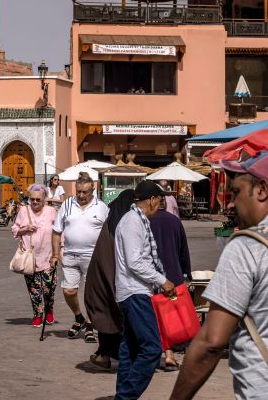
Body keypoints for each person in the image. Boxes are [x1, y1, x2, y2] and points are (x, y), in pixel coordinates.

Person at [171, 154, 268, 400]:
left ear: (262, 190)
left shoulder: (248, 247)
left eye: (236, 193)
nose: (231, 204)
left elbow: (211, 342)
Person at [113, 180, 176, 400]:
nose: (161, 205)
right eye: (160, 200)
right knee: (151, 347)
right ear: (150, 200)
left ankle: (123, 394)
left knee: (130, 349)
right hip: (135, 291)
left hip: (137, 291)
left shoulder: (139, 221)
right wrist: (162, 280)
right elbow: (135, 262)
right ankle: (126, 397)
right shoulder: (132, 222)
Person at [51, 172, 109, 343]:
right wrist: (55, 254)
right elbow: (56, 231)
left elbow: (109, 232)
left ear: (93, 190)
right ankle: (79, 318)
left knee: (91, 293)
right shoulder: (68, 204)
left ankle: (90, 325)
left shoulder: (102, 207)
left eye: (85, 192)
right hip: (70, 254)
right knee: (69, 290)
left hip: (93, 256)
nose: (81, 196)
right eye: (79, 192)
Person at [84, 189, 135, 369]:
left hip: (102, 282)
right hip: (115, 282)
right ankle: (116, 357)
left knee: (108, 317)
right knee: (119, 319)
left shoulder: (110, 224)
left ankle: (104, 355)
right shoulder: (125, 226)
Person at [149, 195, 192, 371]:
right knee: (171, 317)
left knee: (156, 316)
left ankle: (164, 353)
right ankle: (170, 354)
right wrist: (187, 273)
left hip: (151, 275)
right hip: (173, 275)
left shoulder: (145, 221)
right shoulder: (174, 221)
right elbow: (184, 250)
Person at [11, 184, 57, 327]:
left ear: (44, 199)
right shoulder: (24, 211)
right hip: (29, 257)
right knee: (34, 289)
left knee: (49, 287)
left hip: (48, 256)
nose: (35, 202)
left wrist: (59, 251)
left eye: (38, 200)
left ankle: (49, 310)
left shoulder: (51, 211)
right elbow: (15, 228)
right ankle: (38, 314)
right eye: (32, 200)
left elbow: (59, 231)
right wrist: (25, 229)